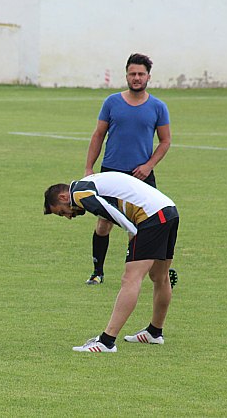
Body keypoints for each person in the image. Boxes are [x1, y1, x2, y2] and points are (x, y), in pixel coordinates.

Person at [43, 171, 179, 353]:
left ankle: (106, 341)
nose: (68, 216)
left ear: (63, 196)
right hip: (168, 210)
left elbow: (108, 211)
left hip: (151, 217)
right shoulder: (88, 184)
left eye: (62, 212)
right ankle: (154, 332)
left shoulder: (79, 193)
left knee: (130, 279)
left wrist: (132, 232)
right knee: (159, 276)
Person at [84, 53, 175, 286]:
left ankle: (157, 274)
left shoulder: (158, 107)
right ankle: (97, 272)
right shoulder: (112, 102)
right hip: (111, 173)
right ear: (126, 75)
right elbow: (98, 135)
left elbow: (165, 141)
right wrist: (89, 169)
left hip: (141, 176)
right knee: (104, 224)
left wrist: (148, 165)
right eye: (132, 74)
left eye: (141, 74)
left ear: (148, 77)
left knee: (144, 227)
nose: (136, 78)